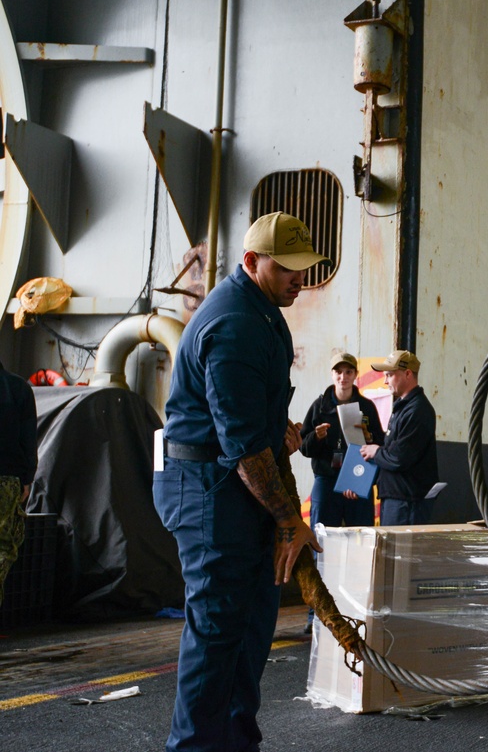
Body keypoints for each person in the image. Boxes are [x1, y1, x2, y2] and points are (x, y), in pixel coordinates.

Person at [153, 211, 330, 752]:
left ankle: (235, 743)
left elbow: (245, 421)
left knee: (250, 630)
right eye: (287, 270)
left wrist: (278, 426)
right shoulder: (233, 325)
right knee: (216, 636)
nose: (300, 280)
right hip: (209, 488)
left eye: (306, 269)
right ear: (252, 262)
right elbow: (245, 454)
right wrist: (290, 522)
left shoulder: (262, 309)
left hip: (232, 484)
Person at [300, 350, 385, 528]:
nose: (343, 377)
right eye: (338, 372)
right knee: (322, 536)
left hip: (358, 479)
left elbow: (380, 446)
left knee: (362, 537)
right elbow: (304, 447)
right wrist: (316, 437)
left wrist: (368, 438)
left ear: (355, 374)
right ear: (332, 374)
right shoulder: (319, 407)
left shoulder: (367, 407)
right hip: (326, 479)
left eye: (348, 372)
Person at [359, 350, 438, 526]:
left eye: (389, 375)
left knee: (402, 553)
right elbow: (393, 450)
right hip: (397, 498)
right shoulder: (403, 407)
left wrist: (376, 451)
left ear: (408, 373)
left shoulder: (417, 411)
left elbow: (398, 458)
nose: (385, 381)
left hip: (406, 502)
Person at [0, 361, 36, 605]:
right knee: (3, 549)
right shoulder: (18, 388)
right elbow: (28, 439)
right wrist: (26, 479)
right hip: (7, 480)